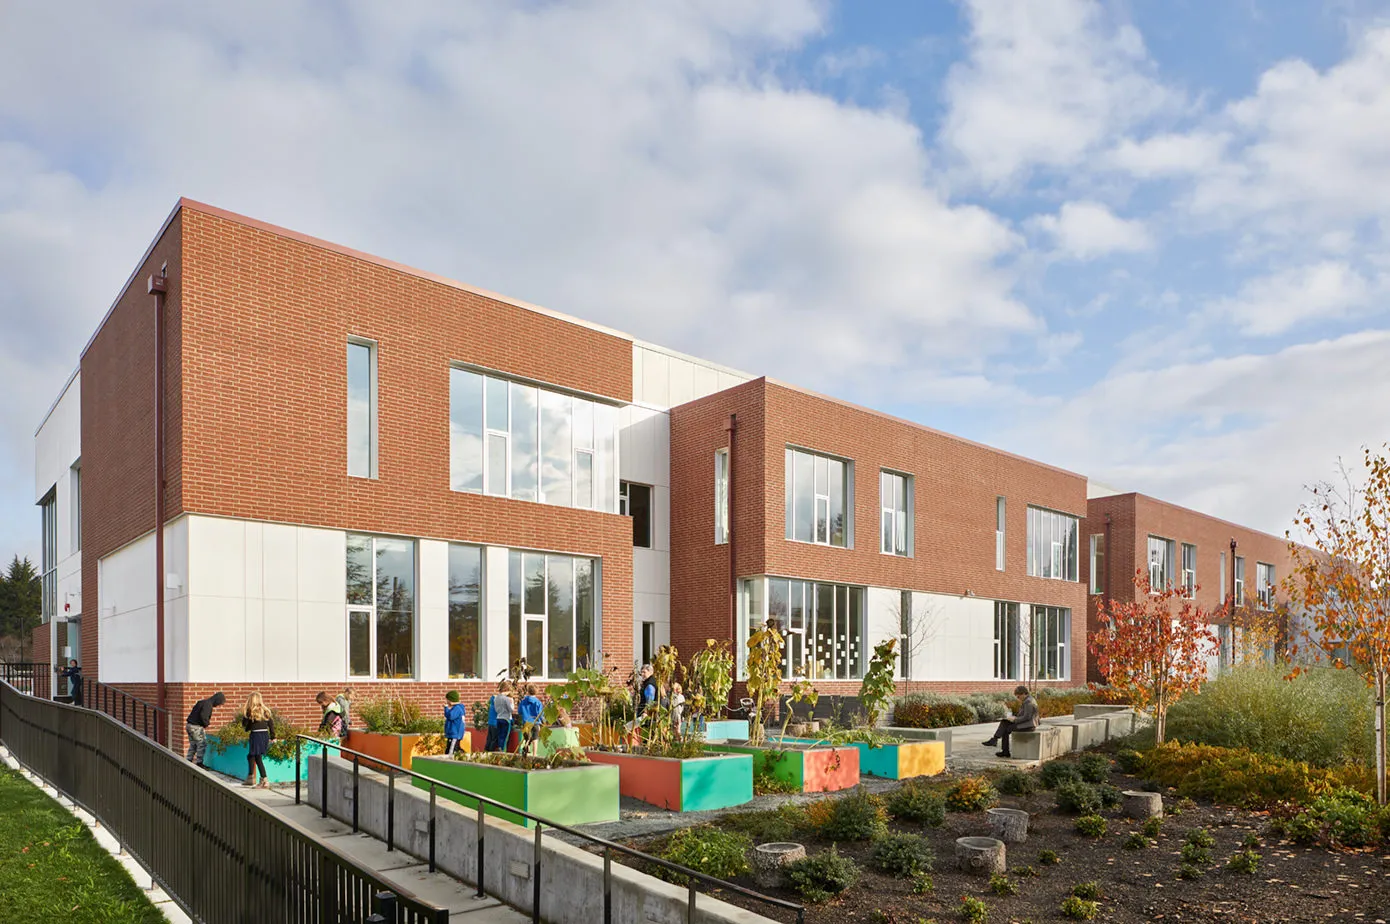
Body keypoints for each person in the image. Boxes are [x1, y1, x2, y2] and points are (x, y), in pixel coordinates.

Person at [982, 685, 1039, 759]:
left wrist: (1015, 719)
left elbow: (1027, 717)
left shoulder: (1028, 702)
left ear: (1023, 694)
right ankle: (996, 741)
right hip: (1025, 723)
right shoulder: (1027, 700)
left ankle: (1001, 747)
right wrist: (1013, 718)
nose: (1018, 698)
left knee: (1006, 729)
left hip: (1029, 726)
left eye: (1018, 697)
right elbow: (1024, 715)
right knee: (1004, 722)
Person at [241, 692, 275, 788]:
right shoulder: (265, 710)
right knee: (251, 755)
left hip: (256, 735)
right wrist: (273, 736)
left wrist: (247, 726)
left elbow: (246, 725)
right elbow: (271, 724)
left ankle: (264, 780)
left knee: (257, 757)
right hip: (264, 734)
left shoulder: (250, 711)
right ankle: (250, 777)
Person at [185, 691, 226, 767]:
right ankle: (199, 763)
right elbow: (203, 716)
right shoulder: (208, 705)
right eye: (219, 703)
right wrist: (207, 724)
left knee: (193, 744)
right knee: (201, 744)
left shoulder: (202, 702)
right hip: (196, 727)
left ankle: (188, 761)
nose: (218, 706)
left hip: (189, 725)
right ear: (217, 700)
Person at [516, 684, 544, 754]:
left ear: (528, 691)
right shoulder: (538, 702)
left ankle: (526, 753)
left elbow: (519, 711)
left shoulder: (523, 701)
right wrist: (543, 721)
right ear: (536, 692)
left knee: (527, 739)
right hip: (535, 722)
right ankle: (534, 754)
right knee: (535, 739)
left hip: (526, 723)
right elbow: (540, 714)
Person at [492, 681, 515, 753]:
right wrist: (512, 703)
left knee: (500, 736)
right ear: (506, 689)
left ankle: (499, 747)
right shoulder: (506, 699)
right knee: (505, 737)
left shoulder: (496, 698)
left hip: (499, 718)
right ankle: (503, 750)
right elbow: (511, 709)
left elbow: (496, 709)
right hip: (506, 719)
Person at [443, 691, 466, 756]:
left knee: (451, 752)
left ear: (450, 700)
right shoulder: (458, 708)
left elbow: (450, 716)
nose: (446, 701)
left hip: (454, 734)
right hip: (453, 734)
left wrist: (446, 708)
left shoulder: (457, 708)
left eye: (447, 700)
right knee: (453, 749)